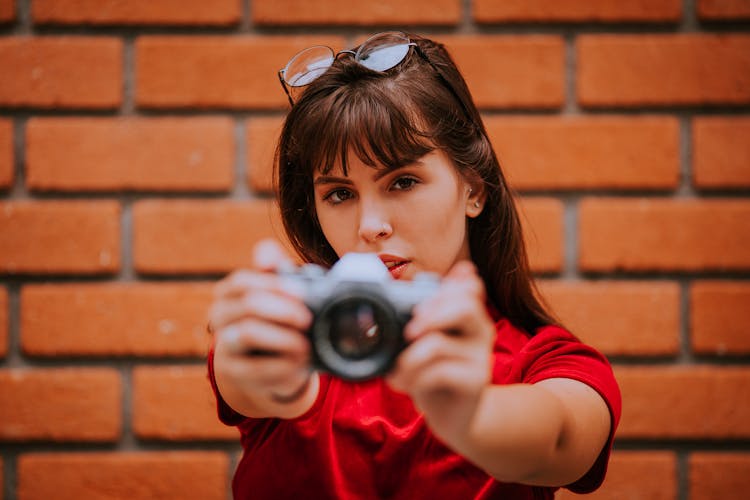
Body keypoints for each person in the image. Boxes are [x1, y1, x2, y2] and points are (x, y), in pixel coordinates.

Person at [207, 31, 621, 499]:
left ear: (474, 188)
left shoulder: (549, 361)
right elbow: (250, 377)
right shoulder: (285, 329)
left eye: (402, 182)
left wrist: (471, 414)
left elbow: (559, 442)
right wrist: (267, 370)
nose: (371, 225)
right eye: (339, 194)